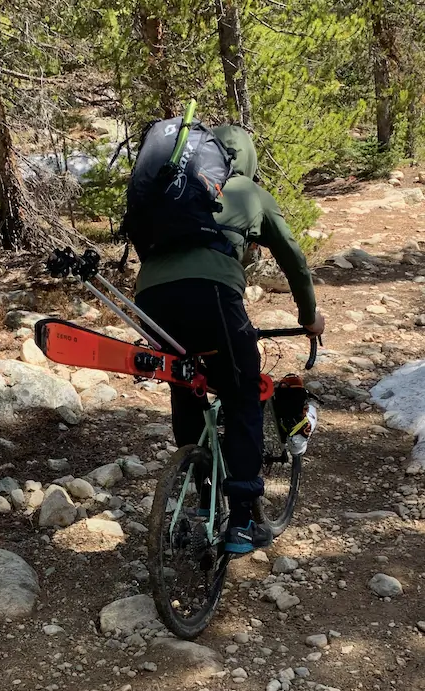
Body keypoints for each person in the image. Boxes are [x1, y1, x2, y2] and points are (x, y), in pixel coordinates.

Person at [134, 124, 324, 555]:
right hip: (213, 295)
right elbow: (292, 256)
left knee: (186, 385)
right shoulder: (246, 191)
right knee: (241, 394)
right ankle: (240, 523)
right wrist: (309, 317)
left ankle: (200, 495)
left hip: (151, 299)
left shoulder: (174, 192)